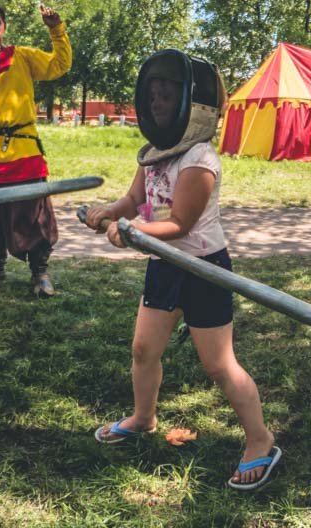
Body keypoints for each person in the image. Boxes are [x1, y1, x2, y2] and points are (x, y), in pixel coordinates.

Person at [84, 49, 280, 491]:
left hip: (203, 269)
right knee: (143, 350)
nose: (156, 102)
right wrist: (108, 213)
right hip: (164, 266)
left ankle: (260, 440)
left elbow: (179, 224)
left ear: (194, 103)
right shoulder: (154, 152)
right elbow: (133, 201)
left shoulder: (200, 160)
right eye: (153, 94)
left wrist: (132, 231)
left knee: (217, 364)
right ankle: (143, 417)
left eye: (166, 94)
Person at [0, 3, 71, 297]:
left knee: (33, 213)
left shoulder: (23, 57)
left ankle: (40, 272)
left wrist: (56, 29)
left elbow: (59, 65)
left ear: (3, 27)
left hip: (23, 150)